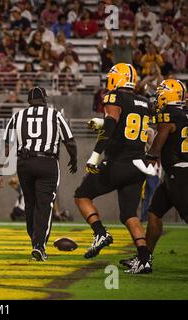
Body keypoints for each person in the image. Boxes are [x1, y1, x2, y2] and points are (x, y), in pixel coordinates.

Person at [75, 63, 153, 274]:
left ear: (115, 79)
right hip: (139, 164)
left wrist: (93, 158)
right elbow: (144, 132)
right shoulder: (145, 102)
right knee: (129, 213)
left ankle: (100, 233)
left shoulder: (113, 98)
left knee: (82, 195)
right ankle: (145, 258)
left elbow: (110, 130)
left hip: (119, 162)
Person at [0, 86, 77, 261]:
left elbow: (6, 146)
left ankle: (35, 241)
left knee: (30, 205)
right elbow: (70, 141)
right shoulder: (54, 115)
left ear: (29, 102)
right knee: (45, 205)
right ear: (45, 99)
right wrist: (74, 159)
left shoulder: (18, 116)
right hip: (47, 162)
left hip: (25, 163)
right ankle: (39, 245)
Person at [121, 79, 188, 271]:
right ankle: (144, 259)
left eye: (161, 93)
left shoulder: (169, 114)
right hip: (174, 175)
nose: (158, 96)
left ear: (169, 94)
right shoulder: (183, 114)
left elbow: (157, 146)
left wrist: (141, 161)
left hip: (180, 175)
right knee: (154, 213)